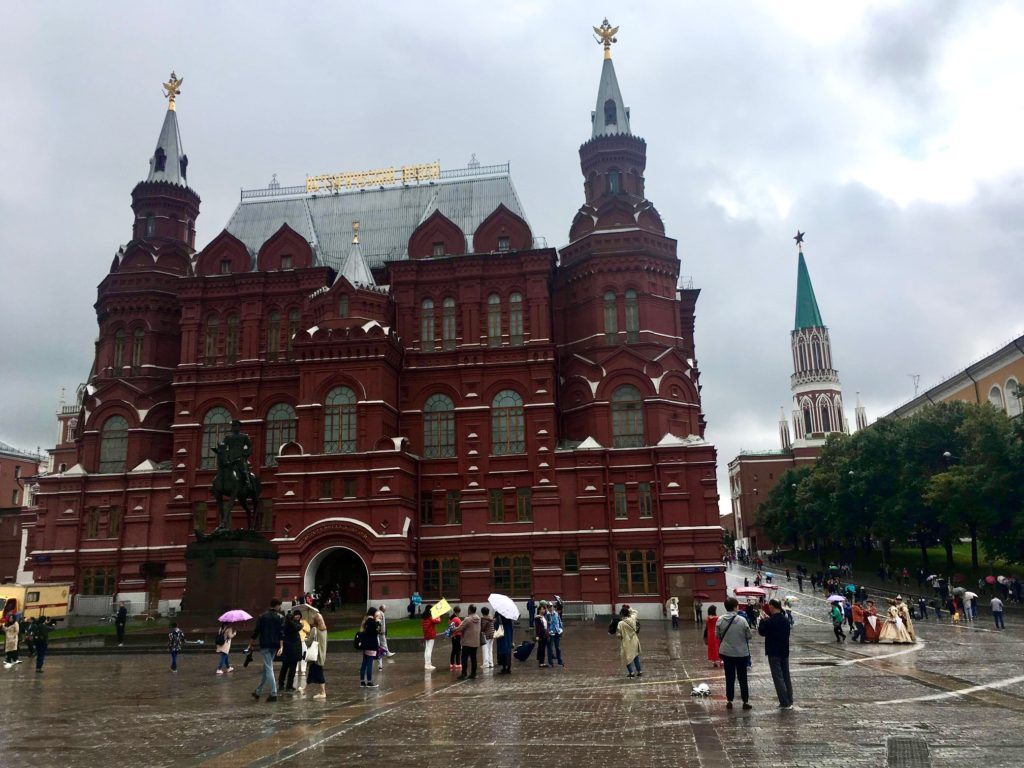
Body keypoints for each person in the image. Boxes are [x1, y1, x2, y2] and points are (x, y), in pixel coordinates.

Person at [716, 597, 753, 710]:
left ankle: (729, 700)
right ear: (735, 607)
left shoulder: (720, 620)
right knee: (743, 678)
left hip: (727, 653)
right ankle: (745, 701)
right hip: (741, 653)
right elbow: (749, 636)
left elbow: (717, 636)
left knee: (729, 677)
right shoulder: (742, 620)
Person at [758, 599, 793, 709]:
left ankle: (784, 702)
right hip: (784, 651)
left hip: (774, 652)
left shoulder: (770, 621)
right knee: (786, 676)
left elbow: (762, 632)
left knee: (778, 677)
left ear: (772, 607)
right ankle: (790, 699)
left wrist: (762, 620)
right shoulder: (785, 620)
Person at [251, 598, 284, 702]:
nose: (280, 607)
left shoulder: (262, 616)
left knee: (268, 667)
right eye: (280, 605)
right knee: (267, 667)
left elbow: (256, 631)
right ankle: (258, 691)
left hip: (265, 644)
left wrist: (250, 644)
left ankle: (273, 693)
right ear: (277, 605)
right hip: (275, 645)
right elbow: (281, 633)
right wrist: (281, 646)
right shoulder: (280, 617)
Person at [278, 610, 303, 692]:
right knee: (288, 668)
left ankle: (285, 685)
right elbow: (298, 627)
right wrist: (290, 622)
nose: (297, 617)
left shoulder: (289, 624)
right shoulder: (290, 624)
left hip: (290, 649)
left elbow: (297, 627)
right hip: (291, 649)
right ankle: (285, 685)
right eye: (295, 615)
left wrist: (290, 621)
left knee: (288, 668)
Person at [305, 611, 329, 699]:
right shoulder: (324, 629)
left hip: (316, 656)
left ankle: (323, 692)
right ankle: (304, 689)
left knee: (319, 673)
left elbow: (309, 642)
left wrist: (306, 639)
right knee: (311, 672)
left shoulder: (314, 629)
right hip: (321, 654)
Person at [615, 605, 642, 678]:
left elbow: (618, 634)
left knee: (626, 657)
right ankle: (639, 671)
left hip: (626, 642)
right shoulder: (632, 618)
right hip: (634, 640)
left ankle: (631, 672)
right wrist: (629, 608)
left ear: (622, 614)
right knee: (636, 656)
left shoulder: (621, 623)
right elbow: (635, 612)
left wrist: (621, 638)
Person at [358, 608, 381, 688]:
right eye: (376, 614)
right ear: (373, 613)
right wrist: (378, 622)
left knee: (364, 663)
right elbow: (378, 631)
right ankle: (369, 682)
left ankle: (362, 681)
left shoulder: (366, 621)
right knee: (370, 663)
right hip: (371, 645)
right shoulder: (372, 622)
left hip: (365, 645)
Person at [458, 604, 481, 679]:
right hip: (475, 642)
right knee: (473, 658)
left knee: (464, 658)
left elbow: (460, 628)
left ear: (470, 610)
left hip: (467, 642)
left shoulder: (468, 619)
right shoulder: (478, 618)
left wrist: (453, 628)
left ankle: (464, 674)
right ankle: (473, 674)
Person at [494, 610, 515, 675]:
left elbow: (496, 625)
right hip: (508, 634)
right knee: (508, 651)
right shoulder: (509, 615)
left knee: (502, 651)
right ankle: (508, 667)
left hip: (502, 634)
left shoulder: (498, 614)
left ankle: (504, 667)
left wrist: (495, 620)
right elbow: (511, 627)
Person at [421, 604, 441, 669]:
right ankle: (428, 665)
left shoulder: (424, 617)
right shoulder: (430, 617)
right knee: (429, 650)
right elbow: (438, 621)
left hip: (426, 634)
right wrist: (438, 615)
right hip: (431, 634)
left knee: (427, 649)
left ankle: (426, 664)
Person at [534, 603, 550, 668]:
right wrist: (537, 635)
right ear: (539, 610)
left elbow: (545, 626)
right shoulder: (537, 618)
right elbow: (537, 627)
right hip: (541, 635)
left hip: (545, 634)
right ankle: (541, 663)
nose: (543, 610)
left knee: (543, 649)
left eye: (544, 609)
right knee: (541, 649)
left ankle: (542, 662)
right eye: (542, 609)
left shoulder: (544, 617)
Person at [447, 606, 463, 671]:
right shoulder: (457, 619)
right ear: (458, 612)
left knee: (454, 650)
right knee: (458, 650)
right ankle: (458, 663)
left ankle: (452, 663)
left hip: (453, 636)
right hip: (458, 635)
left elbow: (450, 627)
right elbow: (461, 626)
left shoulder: (450, 619)